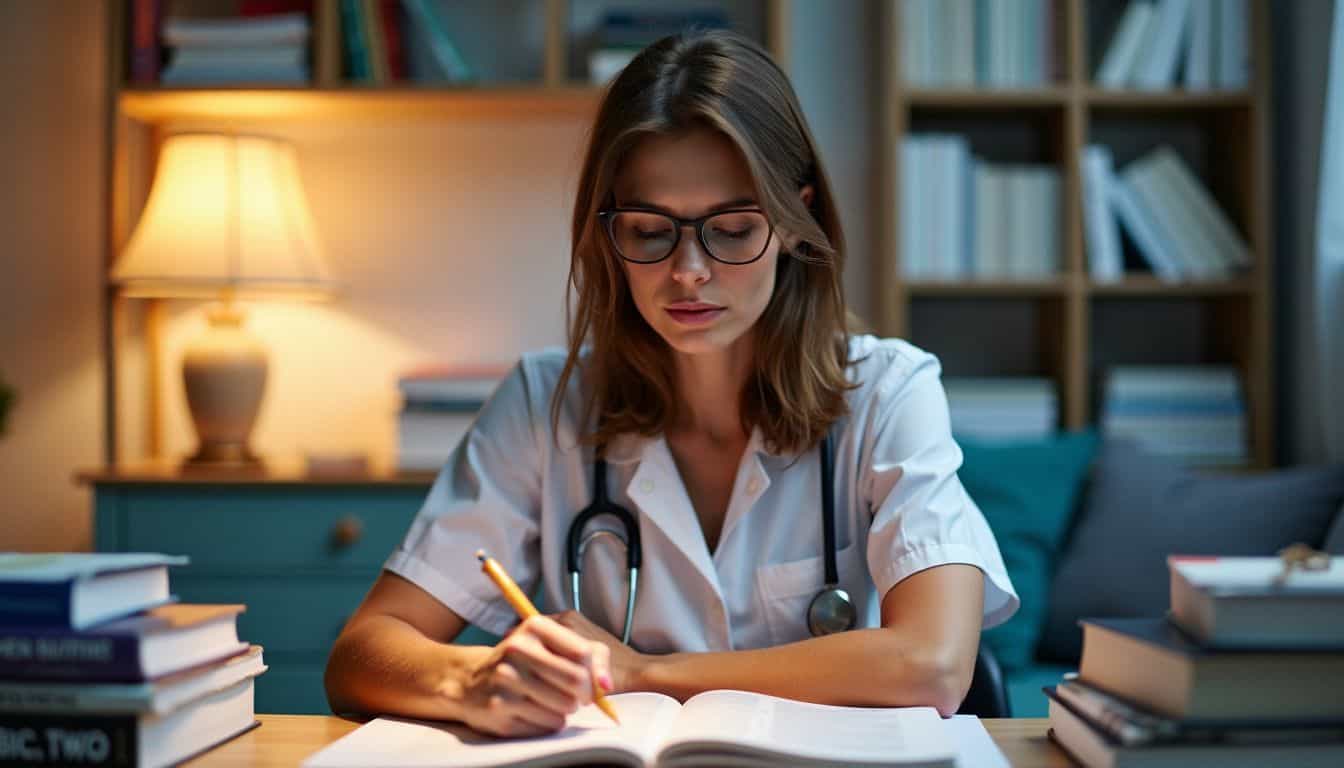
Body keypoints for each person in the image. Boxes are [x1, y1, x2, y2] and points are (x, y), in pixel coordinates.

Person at [325, 29, 1018, 737]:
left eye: (733, 228)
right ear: (608, 235)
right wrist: (470, 679)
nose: (688, 270)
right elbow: (362, 654)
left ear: (792, 221)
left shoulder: (888, 393)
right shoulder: (545, 405)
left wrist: (645, 674)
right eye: (652, 231)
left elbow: (933, 664)